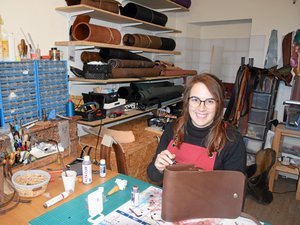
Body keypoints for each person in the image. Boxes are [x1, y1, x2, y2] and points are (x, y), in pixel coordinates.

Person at [147, 73, 247, 183]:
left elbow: (235, 190)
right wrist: (158, 168)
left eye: (209, 101)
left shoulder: (232, 139)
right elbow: (153, 176)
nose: (201, 108)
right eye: (195, 100)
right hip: (173, 196)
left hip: (210, 199)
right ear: (187, 101)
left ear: (218, 105)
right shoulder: (172, 129)